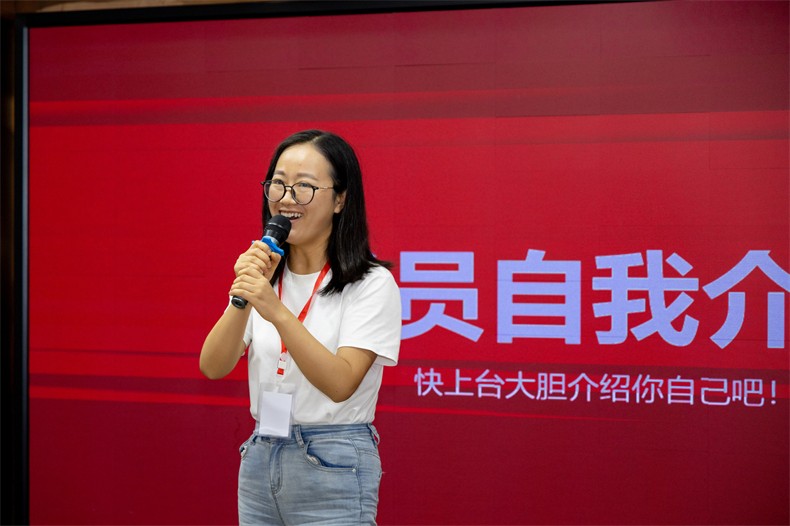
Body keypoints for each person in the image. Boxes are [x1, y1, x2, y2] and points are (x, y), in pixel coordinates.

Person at [199, 130, 401, 525]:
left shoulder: (371, 283)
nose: (287, 198)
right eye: (278, 184)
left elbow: (341, 383)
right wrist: (245, 295)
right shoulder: (265, 275)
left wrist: (275, 310)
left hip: (333, 460)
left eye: (304, 187)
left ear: (340, 199)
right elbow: (213, 365)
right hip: (260, 455)